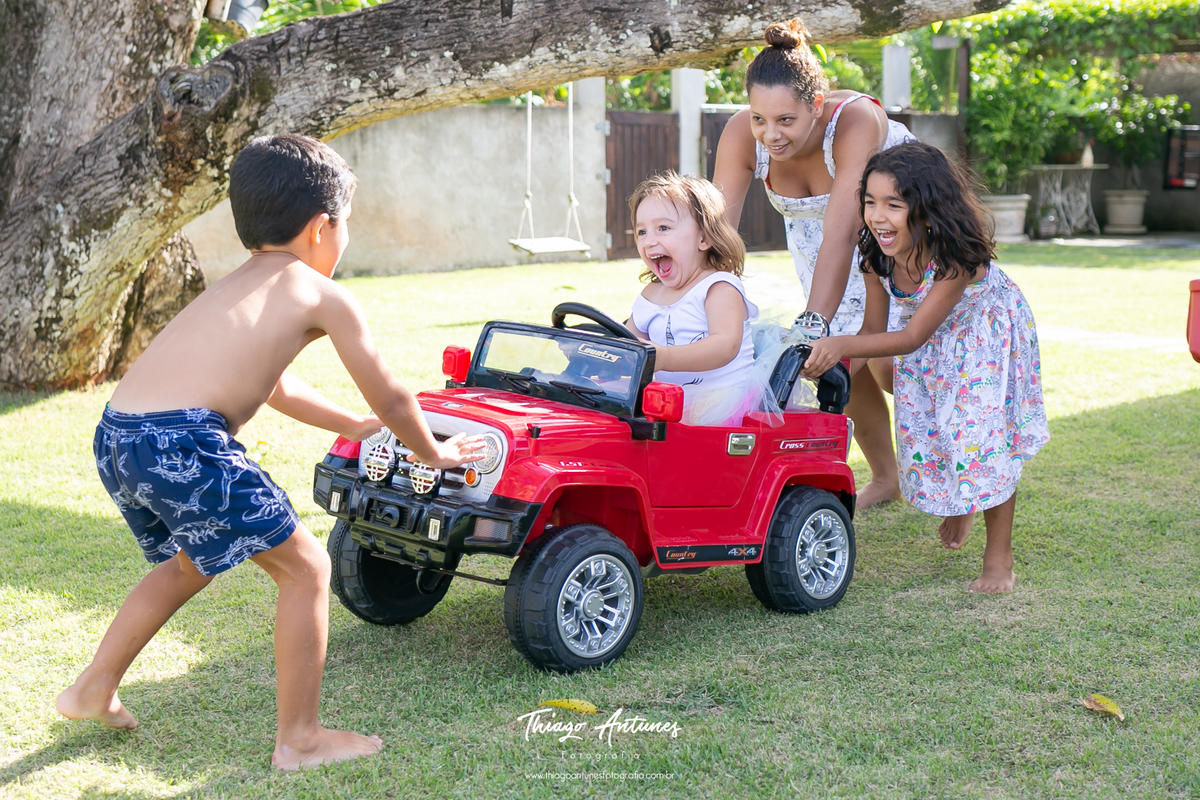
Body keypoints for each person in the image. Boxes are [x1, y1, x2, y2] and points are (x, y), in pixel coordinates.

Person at [55, 134, 483, 769]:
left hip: (120, 434)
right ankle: (300, 740)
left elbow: (275, 385)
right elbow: (396, 397)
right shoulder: (320, 294)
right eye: (346, 228)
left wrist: (353, 426)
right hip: (184, 441)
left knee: (189, 562)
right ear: (321, 228)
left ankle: (93, 687)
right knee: (307, 569)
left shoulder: (237, 286)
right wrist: (433, 453)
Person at [801, 142, 1050, 593]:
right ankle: (963, 498)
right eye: (870, 202)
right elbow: (874, 330)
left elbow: (911, 337)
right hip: (931, 339)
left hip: (983, 336)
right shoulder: (877, 256)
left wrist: (837, 345)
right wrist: (821, 365)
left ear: (928, 211)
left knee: (979, 437)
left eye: (893, 205)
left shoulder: (956, 258)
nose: (877, 216)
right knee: (930, 422)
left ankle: (999, 559)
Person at [712, 17, 916, 507]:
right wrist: (700, 304)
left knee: (887, 367)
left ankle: (956, 461)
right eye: (760, 118)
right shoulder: (744, 135)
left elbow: (845, 229)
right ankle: (886, 479)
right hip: (816, 250)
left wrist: (811, 325)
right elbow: (716, 233)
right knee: (843, 366)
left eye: (786, 121)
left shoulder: (854, 121)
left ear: (816, 107)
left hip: (899, 234)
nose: (770, 135)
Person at [624, 172, 771, 426]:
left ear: (704, 238)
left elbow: (725, 345)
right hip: (665, 403)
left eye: (663, 228)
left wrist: (664, 357)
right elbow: (626, 342)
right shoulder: (651, 294)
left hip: (718, 406)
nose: (649, 241)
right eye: (642, 232)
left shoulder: (718, 288)